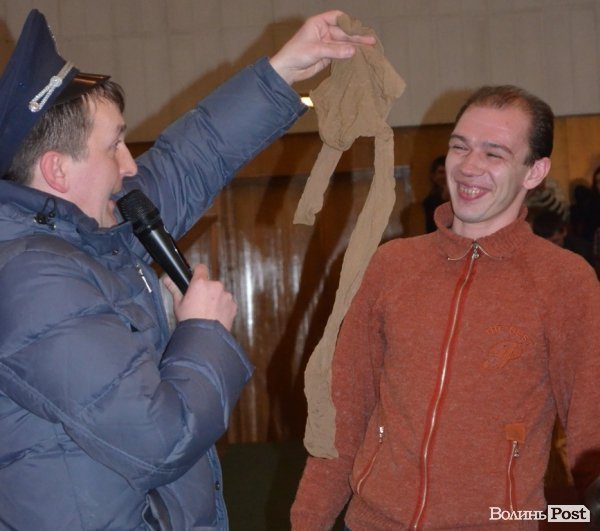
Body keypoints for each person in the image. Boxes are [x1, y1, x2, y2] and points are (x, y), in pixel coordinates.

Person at [0, 9, 375, 531]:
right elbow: (161, 440)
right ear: (57, 170)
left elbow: (191, 158)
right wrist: (202, 331)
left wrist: (284, 69)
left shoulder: (88, 230)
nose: (130, 165)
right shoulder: (32, 281)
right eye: (113, 147)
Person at [291, 85, 600, 529]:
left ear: (534, 172)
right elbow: (344, 412)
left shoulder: (566, 281)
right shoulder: (391, 265)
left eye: (494, 153)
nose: (469, 166)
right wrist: (307, 522)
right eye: (460, 146)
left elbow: (591, 431)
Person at [421, 155, 448, 233]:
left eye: (447, 172)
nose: (444, 176)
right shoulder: (428, 203)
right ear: (433, 176)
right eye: (441, 172)